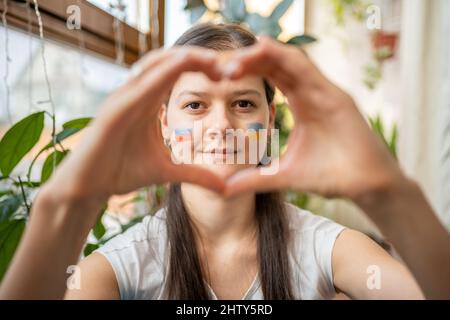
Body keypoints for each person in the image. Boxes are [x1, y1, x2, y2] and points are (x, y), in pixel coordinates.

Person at [1, 23, 449, 300]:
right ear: (163, 123)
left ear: (269, 119)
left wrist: (388, 192)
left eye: (243, 104)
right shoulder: (123, 267)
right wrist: (70, 201)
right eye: (195, 105)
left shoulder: (323, 247)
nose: (221, 126)